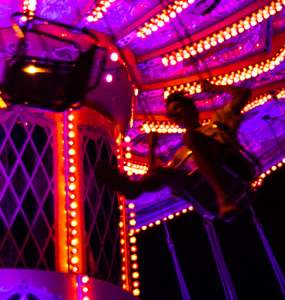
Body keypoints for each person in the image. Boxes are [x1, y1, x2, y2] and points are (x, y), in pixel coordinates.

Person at [97, 84, 254, 218]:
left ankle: (223, 195)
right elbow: (155, 175)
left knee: (191, 137)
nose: (174, 116)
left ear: (190, 107)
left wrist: (211, 87)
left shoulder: (217, 121)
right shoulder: (182, 154)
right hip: (203, 185)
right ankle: (133, 189)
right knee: (161, 171)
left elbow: (243, 93)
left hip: (231, 166)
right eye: (170, 115)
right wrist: (152, 147)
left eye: (177, 108)